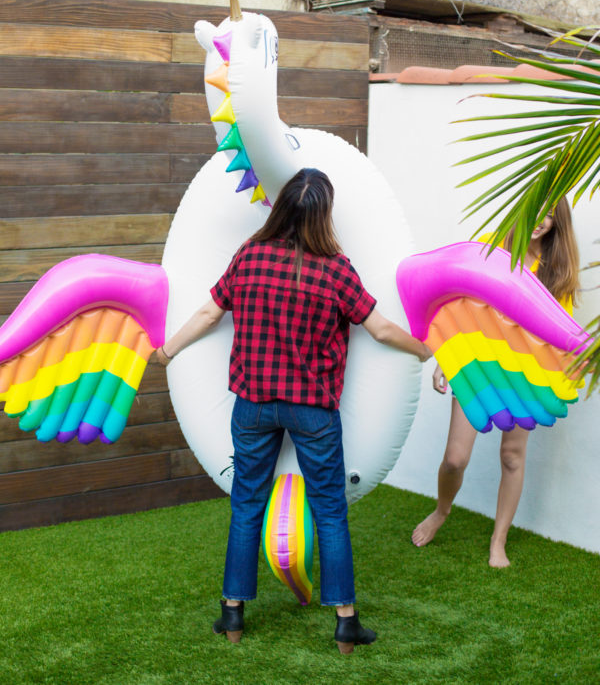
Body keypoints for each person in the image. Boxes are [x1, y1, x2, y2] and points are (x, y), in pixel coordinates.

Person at [156, 168, 431, 652]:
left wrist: (166, 352)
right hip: (314, 411)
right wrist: (426, 350)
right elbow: (382, 329)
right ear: (323, 215)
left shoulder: (250, 256)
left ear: (281, 207)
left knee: (246, 508)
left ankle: (232, 615)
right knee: (329, 513)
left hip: (254, 404)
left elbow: (207, 314)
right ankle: (346, 623)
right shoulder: (337, 269)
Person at [411, 198, 580, 567]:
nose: (540, 220)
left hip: (526, 375)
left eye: (550, 214)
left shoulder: (558, 272)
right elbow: (461, 306)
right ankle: (441, 511)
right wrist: (447, 358)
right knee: (456, 458)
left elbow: (558, 336)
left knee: (512, 456)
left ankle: (498, 541)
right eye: (537, 208)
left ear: (557, 223)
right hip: (476, 364)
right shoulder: (491, 245)